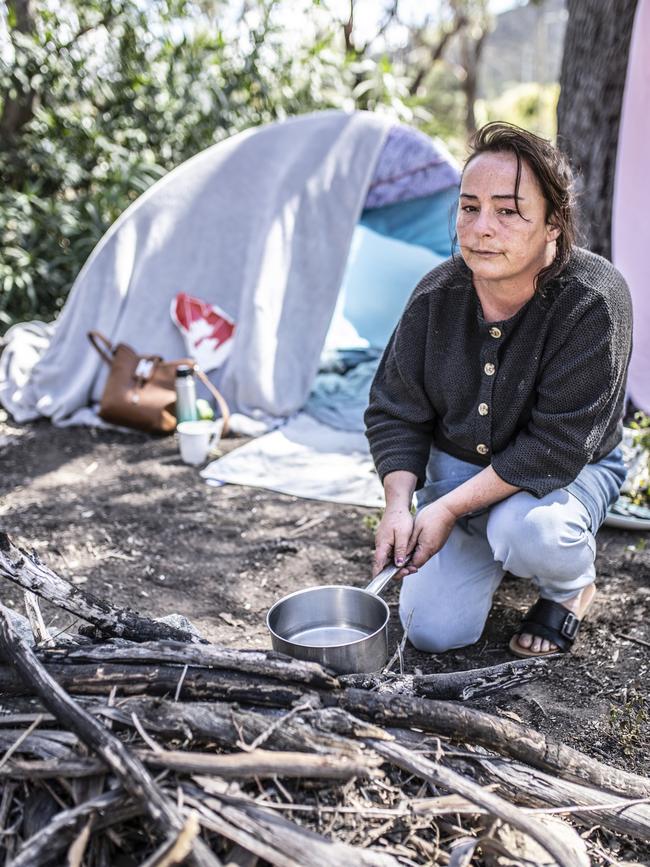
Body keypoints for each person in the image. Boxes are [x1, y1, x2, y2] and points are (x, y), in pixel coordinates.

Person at [364, 121, 633, 658]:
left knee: (529, 532)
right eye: (469, 207)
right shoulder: (436, 295)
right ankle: (486, 544)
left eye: (507, 211)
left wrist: (441, 511)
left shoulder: (593, 300)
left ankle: (568, 587)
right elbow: (396, 409)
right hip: (460, 470)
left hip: (569, 472)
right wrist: (399, 504)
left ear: (553, 223)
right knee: (430, 630)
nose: (481, 227)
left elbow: (555, 446)